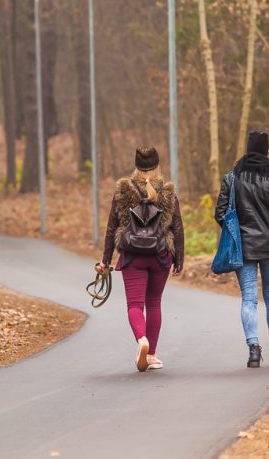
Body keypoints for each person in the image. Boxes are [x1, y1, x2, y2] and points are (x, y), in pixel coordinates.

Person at [98, 146, 184, 372]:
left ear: (136, 166)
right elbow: (177, 227)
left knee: (134, 305)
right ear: (157, 166)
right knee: (154, 304)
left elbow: (111, 228)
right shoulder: (167, 192)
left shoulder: (123, 192)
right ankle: (152, 354)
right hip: (160, 256)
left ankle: (141, 340)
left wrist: (105, 261)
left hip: (132, 257)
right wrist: (179, 259)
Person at [216, 130, 269, 368]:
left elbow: (220, 213)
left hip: (243, 246)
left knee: (248, 299)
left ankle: (253, 350)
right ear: (267, 152)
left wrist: (237, 230)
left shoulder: (232, 178)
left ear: (247, 150)